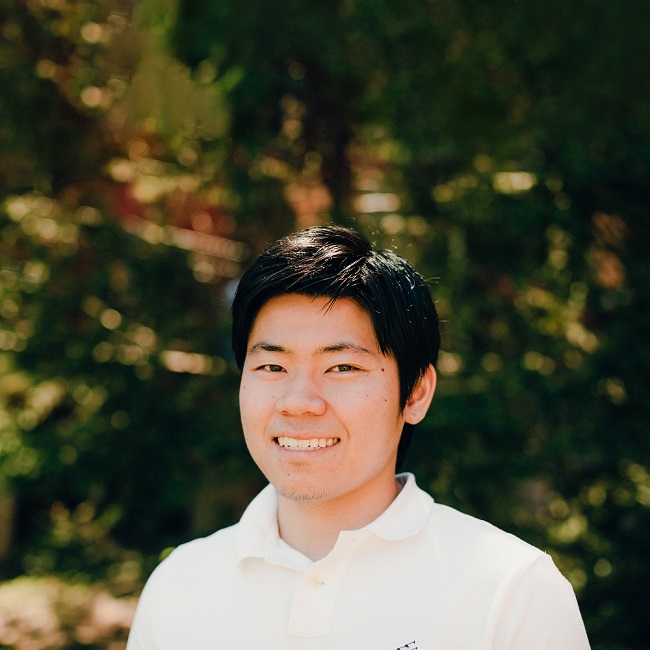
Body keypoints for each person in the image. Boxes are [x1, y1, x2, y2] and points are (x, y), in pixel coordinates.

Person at [127, 225, 590, 649]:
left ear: (416, 393)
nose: (298, 401)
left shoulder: (512, 591)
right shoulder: (180, 587)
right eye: (272, 366)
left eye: (342, 367)